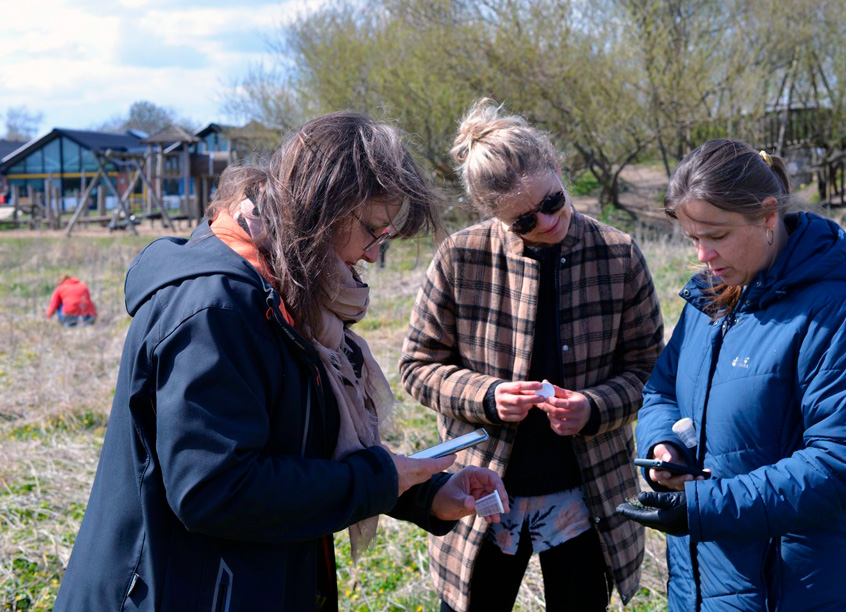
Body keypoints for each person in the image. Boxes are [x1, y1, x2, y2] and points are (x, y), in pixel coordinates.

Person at [54, 111, 507, 612]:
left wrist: (423, 492)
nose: (374, 255)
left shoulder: (288, 296)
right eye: (373, 231)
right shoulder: (217, 310)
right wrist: (378, 481)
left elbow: (299, 447)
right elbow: (216, 489)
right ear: (325, 205)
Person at [400, 99, 664, 612]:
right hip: (481, 489)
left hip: (590, 489)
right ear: (493, 216)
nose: (547, 221)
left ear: (560, 171)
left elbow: (651, 370)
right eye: (524, 220)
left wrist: (594, 407)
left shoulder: (618, 252)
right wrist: (489, 396)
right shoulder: (461, 255)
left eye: (554, 200)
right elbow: (416, 367)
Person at [617, 139, 846, 611]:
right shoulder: (709, 302)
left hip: (795, 587)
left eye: (717, 236)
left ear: (768, 216)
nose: (703, 255)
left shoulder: (837, 316)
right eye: (692, 239)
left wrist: (704, 506)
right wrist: (664, 446)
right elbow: (661, 390)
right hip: (700, 582)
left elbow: (842, 462)